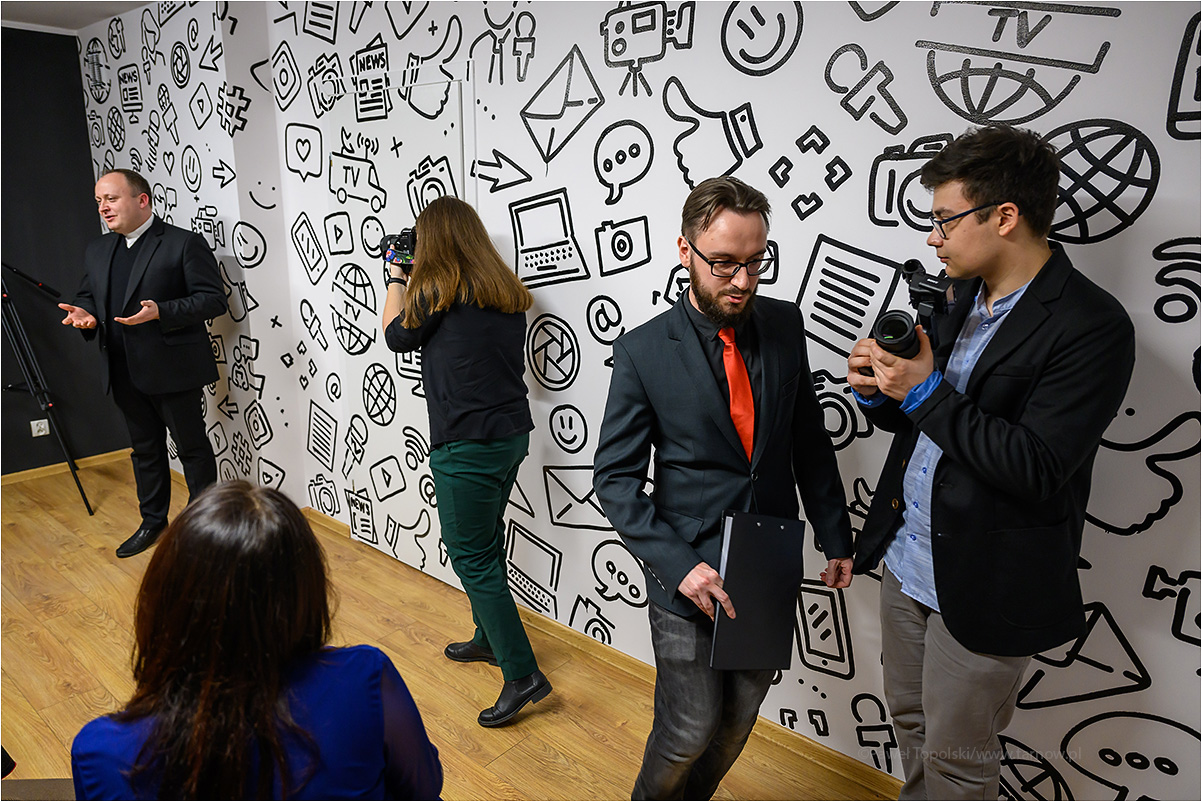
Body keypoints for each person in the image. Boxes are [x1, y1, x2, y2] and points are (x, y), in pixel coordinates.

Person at [846, 125, 1136, 800]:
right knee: (911, 726)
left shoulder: (1092, 325)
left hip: (986, 583)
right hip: (907, 562)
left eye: (945, 220)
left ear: (1004, 216)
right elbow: (924, 428)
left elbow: (1036, 466)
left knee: (958, 761)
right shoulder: (957, 298)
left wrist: (921, 389)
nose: (933, 238)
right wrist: (880, 392)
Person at [593, 176, 854, 800]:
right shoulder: (642, 351)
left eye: (756, 262)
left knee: (736, 723)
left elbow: (808, 440)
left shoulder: (785, 324)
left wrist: (835, 534)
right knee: (687, 729)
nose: (743, 280)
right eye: (724, 264)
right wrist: (680, 567)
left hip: (768, 564)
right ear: (685, 252)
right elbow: (615, 480)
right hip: (687, 571)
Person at [70, 481, 444, 800]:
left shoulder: (103, 753)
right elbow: (425, 787)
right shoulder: (364, 679)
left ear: (165, 599)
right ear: (306, 591)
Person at [381, 195, 551, 727]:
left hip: (466, 445)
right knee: (487, 543)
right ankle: (487, 637)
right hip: (510, 436)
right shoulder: (503, 292)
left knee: (471, 555)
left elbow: (395, 336)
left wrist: (395, 275)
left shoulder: (436, 292)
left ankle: (522, 673)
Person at [58, 168, 227, 558]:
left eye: (111, 199)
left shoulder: (183, 243)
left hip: (173, 369)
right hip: (122, 370)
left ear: (142, 200)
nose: (103, 208)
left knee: (192, 449)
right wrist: (84, 314)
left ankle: (204, 529)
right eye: (99, 201)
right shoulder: (98, 249)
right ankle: (153, 522)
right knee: (145, 451)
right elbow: (88, 296)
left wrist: (161, 311)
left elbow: (212, 300)